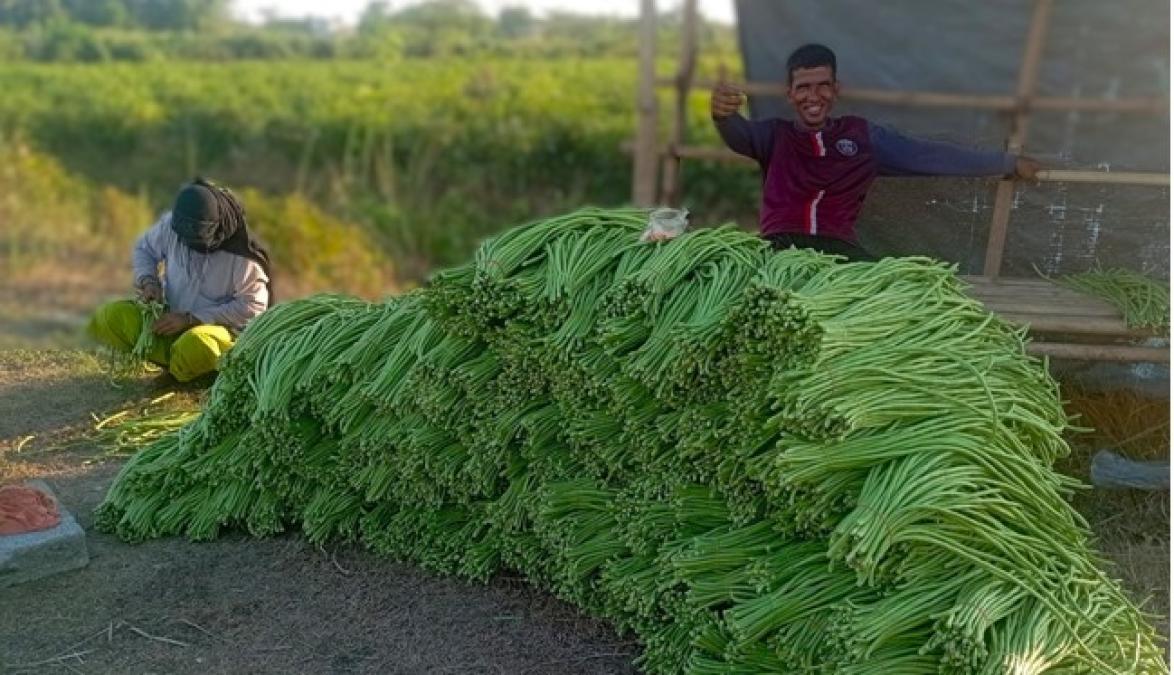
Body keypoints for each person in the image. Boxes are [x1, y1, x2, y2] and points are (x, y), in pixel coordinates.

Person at [709, 43, 1041, 262]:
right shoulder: (773, 136)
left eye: (823, 85)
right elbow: (738, 134)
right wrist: (723, 115)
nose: (814, 96)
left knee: (895, 301)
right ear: (790, 95)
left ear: (836, 89)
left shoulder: (863, 136)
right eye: (803, 88)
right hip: (778, 248)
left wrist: (1006, 162)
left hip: (839, 253)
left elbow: (928, 155)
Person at [87, 178, 273, 383]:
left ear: (215, 230)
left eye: (194, 242)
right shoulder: (173, 225)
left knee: (197, 343)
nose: (185, 245)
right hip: (170, 322)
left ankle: (196, 374)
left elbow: (253, 307)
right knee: (111, 316)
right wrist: (149, 281)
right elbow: (144, 248)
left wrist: (191, 319)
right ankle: (173, 363)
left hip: (213, 334)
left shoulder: (242, 257)